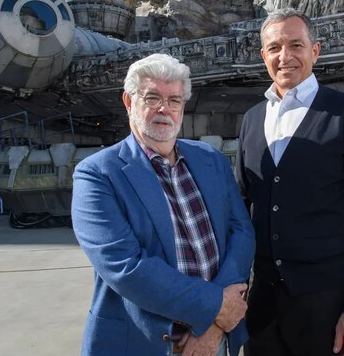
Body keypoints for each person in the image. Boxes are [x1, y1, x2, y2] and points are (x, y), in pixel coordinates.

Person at [72, 53, 256, 356]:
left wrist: (215, 324)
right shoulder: (97, 174)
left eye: (174, 100)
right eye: (152, 97)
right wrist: (214, 307)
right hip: (142, 343)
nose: (164, 109)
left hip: (218, 336)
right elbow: (125, 266)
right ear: (129, 102)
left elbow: (241, 232)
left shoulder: (211, 160)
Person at [236, 9, 344, 356]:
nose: (285, 56)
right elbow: (241, 206)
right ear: (263, 56)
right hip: (262, 306)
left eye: (296, 45)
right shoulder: (251, 119)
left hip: (326, 305)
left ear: (315, 50)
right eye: (274, 47)